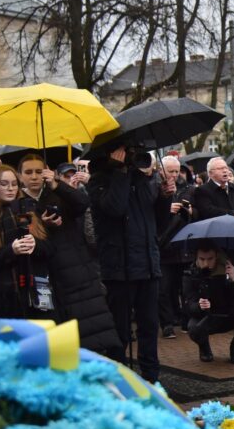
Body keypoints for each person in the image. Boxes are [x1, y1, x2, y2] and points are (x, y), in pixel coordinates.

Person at [15, 153, 122, 357]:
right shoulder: (18, 202)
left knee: (89, 331)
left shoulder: (57, 192)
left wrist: (57, 185)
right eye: (28, 172)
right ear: (20, 176)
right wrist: (42, 224)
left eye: (39, 171)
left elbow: (82, 203)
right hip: (43, 275)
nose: (34, 176)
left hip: (74, 269)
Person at [87, 146, 170, 383]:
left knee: (149, 326)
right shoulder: (98, 181)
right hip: (119, 267)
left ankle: (151, 377)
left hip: (147, 264)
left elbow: (158, 222)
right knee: (120, 329)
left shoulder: (140, 180)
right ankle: (117, 377)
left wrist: (165, 197)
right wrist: (119, 172)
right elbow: (115, 208)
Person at [0, 165, 54, 322]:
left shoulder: (28, 209)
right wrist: (11, 251)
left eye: (14, 184)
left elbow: (49, 248)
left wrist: (35, 244)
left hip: (34, 291)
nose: (10, 188)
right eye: (4, 184)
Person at [181, 244, 234, 363]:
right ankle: (204, 348)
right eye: (202, 259)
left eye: (210, 259)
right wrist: (199, 305)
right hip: (206, 317)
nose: (206, 263)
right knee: (193, 328)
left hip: (227, 314)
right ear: (196, 258)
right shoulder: (190, 274)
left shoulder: (227, 269)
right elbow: (189, 305)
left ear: (217, 257)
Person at [156, 155, 195, 338]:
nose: (174, 175)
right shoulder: (155, 188)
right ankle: (167, 324)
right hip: (164, 245)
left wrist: (191, 211)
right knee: (164, 289)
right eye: (170, 171)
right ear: (161, 171)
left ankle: (187, 320)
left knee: (186, 288)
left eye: (177, 171)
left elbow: (198, 211)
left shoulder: (189, 189)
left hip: (184, 244)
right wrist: (166, 208)